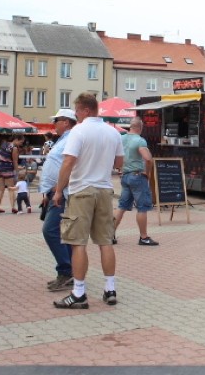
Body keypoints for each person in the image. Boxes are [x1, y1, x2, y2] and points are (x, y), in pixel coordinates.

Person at [52, 92, 123, 309]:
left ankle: (79, 293)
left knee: (78, 243)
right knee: (105, 241)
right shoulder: (113, 133)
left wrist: (58, 190)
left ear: (85, 110)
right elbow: (120, 163)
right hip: (104, 190)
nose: (75, 114)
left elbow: (68, 162)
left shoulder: (78, 131)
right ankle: (110, 289)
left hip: (82, 189)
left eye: (77, 110)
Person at [40, 109, 76, 292]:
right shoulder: (63, 139)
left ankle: (66, 270)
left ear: (66, 122)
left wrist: (58, 189)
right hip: (55, 192)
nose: (54, 123)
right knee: (62, 233)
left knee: (50, 230)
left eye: (56, 120)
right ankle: (69, 271)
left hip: (62, 193)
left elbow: (72, 166)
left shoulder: (71, 139)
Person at [113, 117, 159, 246]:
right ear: (140, 128)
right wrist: (147, 173)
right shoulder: (140, 140)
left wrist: (120, 168)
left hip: (125, 176)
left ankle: (110, 235)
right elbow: (148, 159)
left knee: (121, 206)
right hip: (138, 176)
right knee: (142, 207)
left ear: (130, 127)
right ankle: (144, 237)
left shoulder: (121, 139)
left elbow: (116, 157)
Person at [0, 136, 24, 213]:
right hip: (7, 170)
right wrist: (17, 171)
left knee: (1, 189)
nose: (21, 144)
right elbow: (15, 161)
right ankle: (13, 207)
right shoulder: (14, 148)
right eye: (20, 142)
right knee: (11, 189)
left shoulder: (4, 144)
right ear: (16, 139)